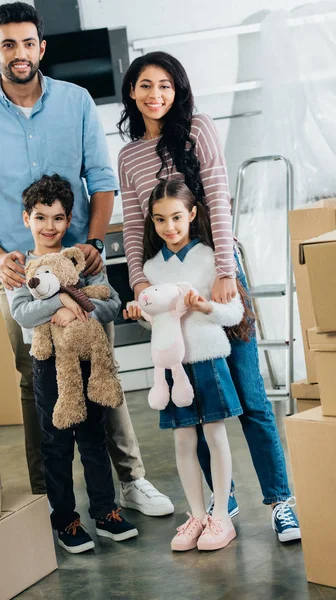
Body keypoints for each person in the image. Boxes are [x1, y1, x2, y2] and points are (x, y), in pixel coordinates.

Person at [0, 3, 173, 517]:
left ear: (42, 48)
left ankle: (131, 480)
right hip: (16, 275)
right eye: (9, 44)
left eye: (28, 43)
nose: (20, 53)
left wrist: (94, 241)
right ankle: (47, 494)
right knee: (34, 377)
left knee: (100, 363)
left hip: (79, 267)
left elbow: (101, 177)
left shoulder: (75, 103)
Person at [117, 51, 301, 543]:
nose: (155, 94)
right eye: (145, 85)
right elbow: (135, 226)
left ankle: (282, 500)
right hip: (168, 281)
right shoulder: (129, 155)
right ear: (131, 92)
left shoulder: (197, 128)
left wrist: (225, 270)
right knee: (196, 399)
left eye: (165, 85)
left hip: (216, 272)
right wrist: (138, 283)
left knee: (250, 394)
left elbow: (217, 197)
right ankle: (223, 501)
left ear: (178, 90)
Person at [8, 173, 138, 553]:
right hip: (48, 367)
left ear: (69, 219)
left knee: (94, 438)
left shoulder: (84, 259)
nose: (50, 226)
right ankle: (66, 519)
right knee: (56, 443)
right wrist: (61, 302)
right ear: (26, 219)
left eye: (59, 218)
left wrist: (77, 307)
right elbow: (23, 314)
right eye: (41, 217)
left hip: (88, 362)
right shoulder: (21, 267)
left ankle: (105, 511)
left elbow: (112, 304)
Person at [126, 180, 249, 550]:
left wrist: (204, 306)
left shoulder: (214, 258)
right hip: (172, 369)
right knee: (182, 441)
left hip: (208, 362)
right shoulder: (150, 268)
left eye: (177, 217)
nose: (170, 227)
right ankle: (196, 515)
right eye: (161, 219)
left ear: (192, 214)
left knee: (214, 436)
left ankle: (222, 517)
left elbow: (234, 313)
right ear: (152, 220)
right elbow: (155, 319)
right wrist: (139, 314)